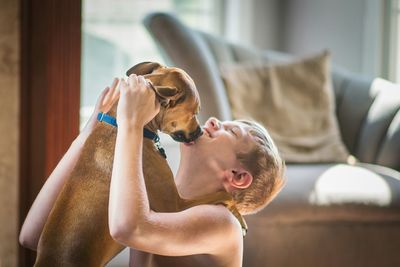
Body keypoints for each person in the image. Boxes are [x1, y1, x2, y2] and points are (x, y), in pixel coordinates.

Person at [20, 75, 286, 267]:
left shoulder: (224, 224)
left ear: (237, 176)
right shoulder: (148, 198)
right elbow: (33, 235)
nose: (215, 121)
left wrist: (131, 123)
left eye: (231, 131)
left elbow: (129, 228)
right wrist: (90, 132)